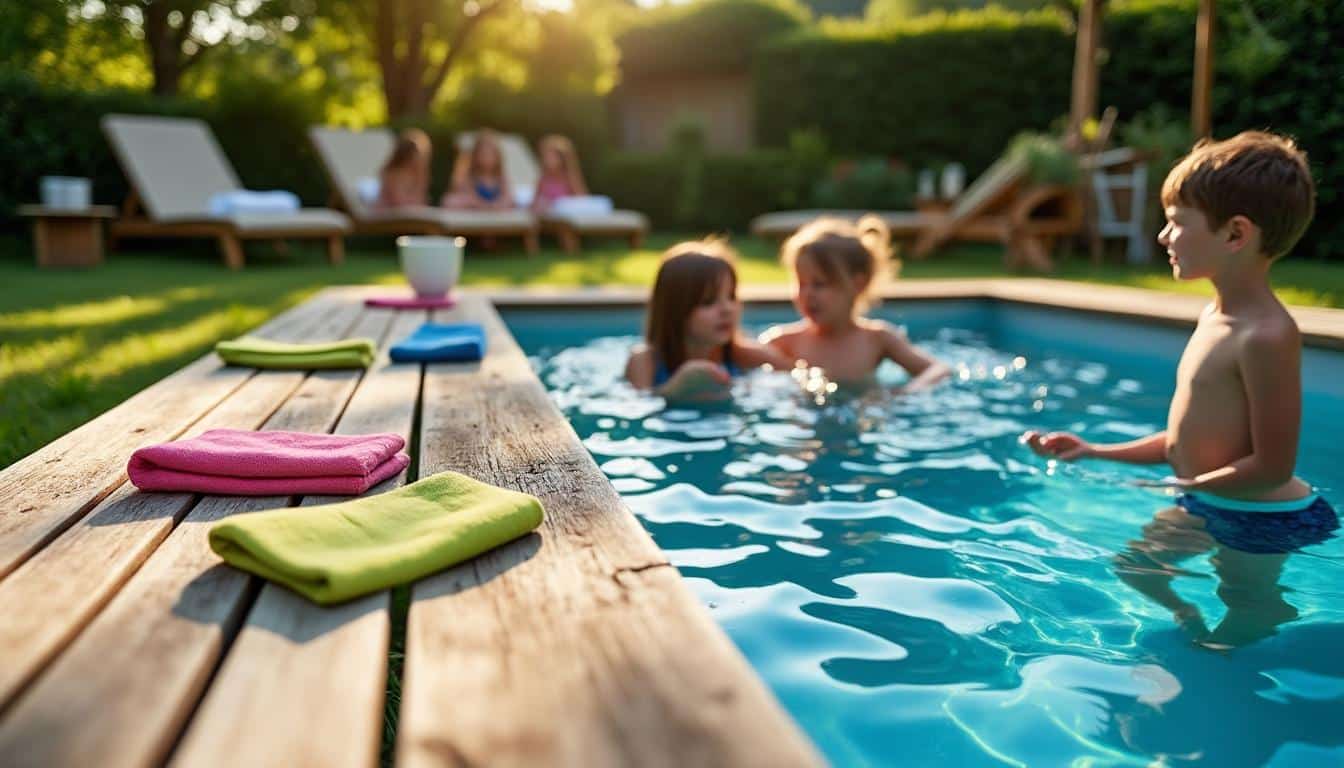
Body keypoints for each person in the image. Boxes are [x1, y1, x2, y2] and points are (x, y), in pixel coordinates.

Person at [1022, 131, 1338, 647]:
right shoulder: (1214, 314)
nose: (1164, 237)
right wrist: (1096, 451)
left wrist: (1180, 488)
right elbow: (1182, 441)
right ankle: (1190, 620)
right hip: (1211, 500)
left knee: (1245, 616)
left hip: (1265, 517)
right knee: (1136, 568)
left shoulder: (1266, 335)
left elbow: (1273, 467)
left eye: (1177, 223)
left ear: (1236, 234)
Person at [760, 216, 950, 390]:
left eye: (819, 284)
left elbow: (937, 369)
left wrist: (907, 393)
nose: (808, 294)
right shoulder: (783, 342)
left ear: (858, 284)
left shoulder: (877, 339)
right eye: (801, 284)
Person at [626, 239, 789, 400]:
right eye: (708, 301)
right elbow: (639, 405)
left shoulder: (748, 356)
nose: (727, 309)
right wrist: (678, 387)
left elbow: (800, 382)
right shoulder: (645, 361)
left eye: (731, 297)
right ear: (675, 309)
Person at [441, 129, 515, 211]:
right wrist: (478, 204)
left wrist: (497, 205)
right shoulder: (470, 177)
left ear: (498, 156)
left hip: (496, 215)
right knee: (450, 200)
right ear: (475, 155)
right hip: (473, 214)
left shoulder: (500, 178)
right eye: (483, 153)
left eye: (490, 153)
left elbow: (509, 198)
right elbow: (456, 196)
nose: (487, 157)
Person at [531, 134, 588, 212]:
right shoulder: (543, 179)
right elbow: (534, 203)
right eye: (545, 156)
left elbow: (582, 202)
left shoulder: (570, 179)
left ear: (562, 158)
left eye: (552, 156)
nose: (547, 160)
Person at [376, 128, 431, 208]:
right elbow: (398, 201)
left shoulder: (420, 174)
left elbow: (421, 198)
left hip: (410, 213)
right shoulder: (393, 173)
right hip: (389, 215)